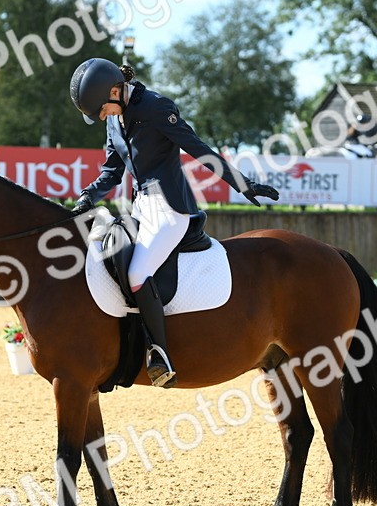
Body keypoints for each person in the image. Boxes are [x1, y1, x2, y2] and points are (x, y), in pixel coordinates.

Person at [69, 57, 280, 388]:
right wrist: (87, 196)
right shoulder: (114, 119)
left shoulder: (154, 107)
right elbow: (112, 170)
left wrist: (243, 184)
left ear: (114, 90)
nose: (101, 118)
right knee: (106, 252)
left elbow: (197, 147)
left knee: (138, 272)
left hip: (170, 210)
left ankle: (159, 353)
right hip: (141, 206)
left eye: (100, 110)